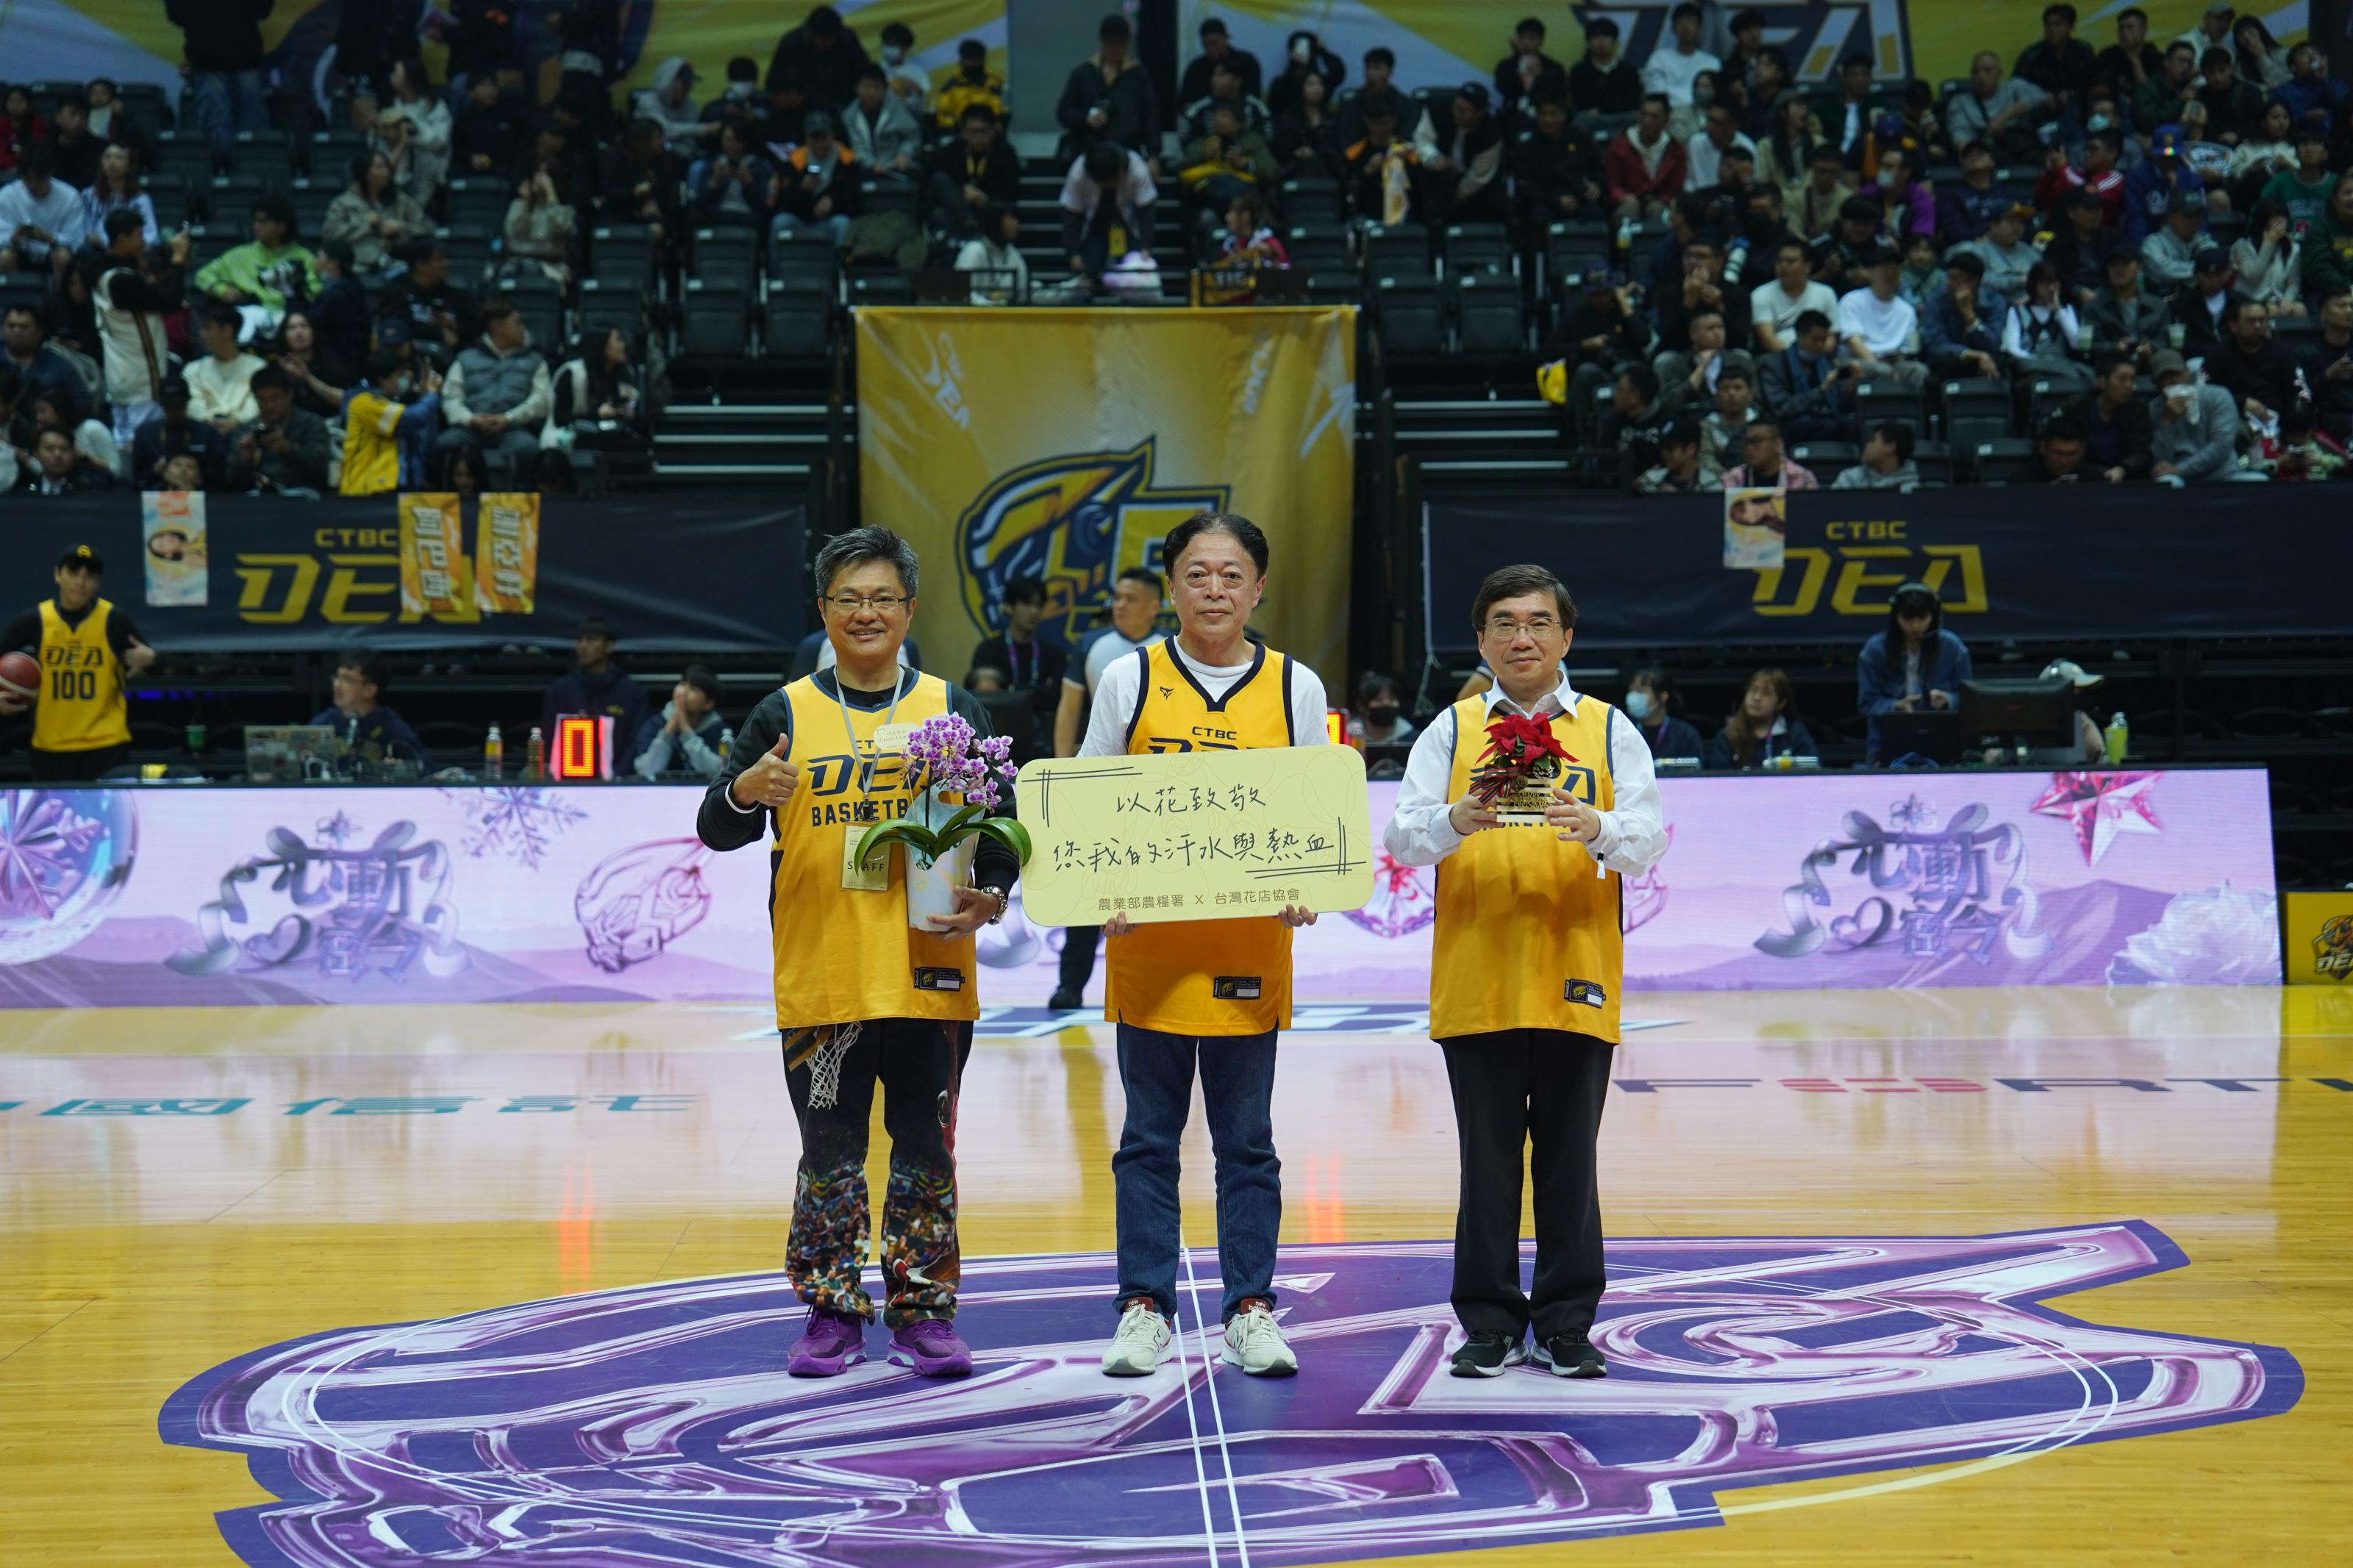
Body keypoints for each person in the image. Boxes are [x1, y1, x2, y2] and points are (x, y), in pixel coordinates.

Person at [696, 525, 1014, 1381]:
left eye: (882, 598)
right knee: (828, 1150)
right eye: (848, 599)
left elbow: (1001, 829)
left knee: (926, 1146)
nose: (865, 613)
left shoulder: (951, 707)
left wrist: (993, 891)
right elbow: (715, 827)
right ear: (824, 612)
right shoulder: (784, 712)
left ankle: (924, 1314)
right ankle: (831, 1313)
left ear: (909, 609)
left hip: (930, 973)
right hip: (825, 974)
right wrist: (744, 789)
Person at [1377, 564, 1665, 1381]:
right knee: (1488, 1162)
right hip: (1477, 977)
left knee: (1570, 1162)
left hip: (1575, 973)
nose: (1521, 637)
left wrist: (1596, 824)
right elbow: (1400, 840)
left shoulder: (1609, 730)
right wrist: (1456, 817)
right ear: (1481, 641)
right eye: (1503, 623)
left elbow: (1647, 843)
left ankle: (1568, 1323)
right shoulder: (1452, 729)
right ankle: (1490, 1323)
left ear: (1565, 638)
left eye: (1538, 623)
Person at [1079, 512, 1326, 1381]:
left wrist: (1308, 880)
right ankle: (1142, 1307)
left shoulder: (1294, 685)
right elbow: (1088, 800)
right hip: (1150, 952)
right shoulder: (1126, 677)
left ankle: (1249, 1308)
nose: (1213, 590)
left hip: (1248, 952)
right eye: (1195, 574)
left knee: (1245, 1144)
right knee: (1147, 1141)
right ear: (1170, 588)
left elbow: (1314, 814)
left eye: (1230, 575)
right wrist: (1097, 886)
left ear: (1258, 587)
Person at [1047, 566, 1164, 1012]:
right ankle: (1071, 985)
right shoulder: (1091, 647)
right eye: (1117, 597)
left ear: (1155, 606)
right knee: (1088, 884)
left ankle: (1153, 983)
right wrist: (1063, 772)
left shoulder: (1172, 649)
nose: (1119, 605)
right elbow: (1069, 708)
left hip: (1155, 793)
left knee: (1155, 884)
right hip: (1100, 784)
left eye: (1131, 598)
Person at [0, 545, 152, 778]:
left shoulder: (114, 619)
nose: (80, 582)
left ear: (97, 583)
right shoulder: (35, 620)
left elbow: (147, 654)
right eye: (73, 572)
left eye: (89, 576)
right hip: (50, 746)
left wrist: (148, 657)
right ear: (57, 575)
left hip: (106, 746)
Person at [438, 301, 551, 483]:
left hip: (513, 429)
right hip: (470, 428)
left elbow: (541, 400)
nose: (523, 328)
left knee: (527, 448)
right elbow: (451, 398)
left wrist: (509, 418)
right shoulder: (465, 359)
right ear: (497, 326)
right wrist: (470, 420)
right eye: (517, 323)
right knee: (446, 443)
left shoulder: (536, 361)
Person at [1858, 581, 1972, 762]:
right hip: (1887, 742)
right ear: (1895, 617)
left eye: (1922, 617)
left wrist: (1948, 700)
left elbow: (1969, 698)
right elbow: (1867, 702)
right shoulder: (1875, 650)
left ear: (1934, 616)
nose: (1915, 626)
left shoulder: (1953, 648)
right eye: (1908, 618)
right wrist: (1895, 706)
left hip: (1941, 740)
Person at [339, 350, 442, 496]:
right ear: (383, 379)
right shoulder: (362, 403)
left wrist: (426, 398)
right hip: (364, 494)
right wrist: (431, 395)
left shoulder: (393, 406)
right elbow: (413, 417)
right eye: (399, 375)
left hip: (397, 491)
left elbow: (428, 441)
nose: (404, 379)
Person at [1057, 14, 1157, 163]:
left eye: (1119, 43)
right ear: (1101, 41)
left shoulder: (1138, 76)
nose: (1114, 49)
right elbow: (1063, 113)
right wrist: (1086, 118)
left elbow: (1151, 117)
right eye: (1110, 43)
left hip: (1128, 151)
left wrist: (1153, 155)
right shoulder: (1083, 74)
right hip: (1089, 150)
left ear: (1127, 43)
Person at [969, 575, 1068, 723]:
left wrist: (1011, 690)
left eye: (1038, 605)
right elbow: (986, 697)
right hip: (998, 731)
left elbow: (1058, 696)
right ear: (1009, 607)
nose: (1034, 611)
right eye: (1026, 604)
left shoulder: (1054, 654)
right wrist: (1038, 691)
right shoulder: (989, 651)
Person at [1059, 141, 1156, 283]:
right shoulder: (1078, 173)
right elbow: (1071, 216)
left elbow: (1147, 211)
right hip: (1094, 226)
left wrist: (1145, 246)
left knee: (1135, 276)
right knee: (1087, 276)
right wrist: (1073, 253)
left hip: (1127, 224)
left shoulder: (1137, 169)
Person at [543, 617, 651, 743]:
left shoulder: (632, 692)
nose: (583, 646)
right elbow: (551, 738)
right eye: (579, 640)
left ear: (609, 646)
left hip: (618, 762)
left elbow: (636, 742)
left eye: (591, 640)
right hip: (573, 762)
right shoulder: (560, 690)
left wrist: (617, 764)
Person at [324, 151, 430, 276]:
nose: (387, 172)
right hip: (354, 267)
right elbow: (330, 234)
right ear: (365, 173)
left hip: (394, 265)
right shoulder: (342, 203)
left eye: (387, 167)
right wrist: (365, 223)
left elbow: (427, 227)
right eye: (380, 167)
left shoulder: (401, 201)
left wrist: (402, 227)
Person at [226, 365, 331, 492]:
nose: (269, 406)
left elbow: (321, 468)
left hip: (302, 493)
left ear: (289, 395)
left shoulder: (311, 424)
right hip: (258, 496)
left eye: (275, 398)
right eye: (262, 400)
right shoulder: (246, 430)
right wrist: (246, 460)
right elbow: (230, 481)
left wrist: (288, 448)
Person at [307, 653, 425, 765]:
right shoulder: (323, 723)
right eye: (336, 677)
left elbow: (426, 771)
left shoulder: (392, 728)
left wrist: (400, 770)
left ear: (369, 691)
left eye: (347, 680)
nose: (337, 685)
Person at [929, 103, 1021, 243]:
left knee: (1003, 214)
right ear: (964, 132)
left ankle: (972, 223)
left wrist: (983, 199)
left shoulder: (1006, 153)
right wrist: (963, 191)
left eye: (983, 131)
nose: (978, 137)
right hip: (959, 206)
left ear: (993, 131)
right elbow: (940, 186)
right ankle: (970, 221)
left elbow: (1011, 191)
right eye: (973, 132)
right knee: (939, 187)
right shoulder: (950, 151)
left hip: (990, 206)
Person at [1837, 246, 1927, 387]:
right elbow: (1854, 342)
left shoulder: (1907, 310)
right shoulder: (1852, 300)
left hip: (1893, 363)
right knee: (1878, 369)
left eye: (1895, 268)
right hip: (1861, 360)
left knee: (1918, 370)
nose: (1891, 273)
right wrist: (1880, 365)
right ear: (1870, 272)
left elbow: (1910, 349)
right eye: (1885, 268)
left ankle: (1910, 408)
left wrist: (1898, 358)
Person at [1760, 310, 1857, 442]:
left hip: (1827, 418)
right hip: (1793, 424)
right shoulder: (1775, 365)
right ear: (1799, 336)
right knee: (1828, 426)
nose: (1820, 346)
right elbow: (1782, 409)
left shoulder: (1826, 361)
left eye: (1824, 340)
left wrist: (1851, 384)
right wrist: (1821, 391)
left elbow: (1838, 402)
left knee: (1853, 423)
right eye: (1815, 340)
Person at [2149, 348, 2244, 479]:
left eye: (2176, 374)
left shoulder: (2218, 397)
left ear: (2187, 373)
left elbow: (2222, 445)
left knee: (2258, 481)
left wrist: (2181, 469)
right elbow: (2159, 462)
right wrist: (2168, 421)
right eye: (2164, 377)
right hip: (2179, 479)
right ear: (2156, 384)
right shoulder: (2154, 410)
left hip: (2222, 475)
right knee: (2165, 481)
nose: (2172, 381)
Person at [2205, 294, 2297, 421]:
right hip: (2234, 417)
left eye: (2262, 320)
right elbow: (2208, 394)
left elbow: (2296, 391)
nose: (2258, 326)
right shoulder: (2218, 354)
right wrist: (2242, 403)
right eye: (2251, 321)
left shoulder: (2281, 353)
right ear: (2234, 326)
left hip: (2276, 419)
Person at [2002, 261, 2092, 390]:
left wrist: (2059, 311)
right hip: (2030, 366)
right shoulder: (2017, 311)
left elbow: (2078, 344)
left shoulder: (2067, 310)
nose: (2050, 288)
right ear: (2034, 285)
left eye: (2054, 283)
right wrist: (2036, 361)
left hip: (2062, 366)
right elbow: (2012, 347)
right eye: (2045, 283)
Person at [1947, 51, 2047, 164]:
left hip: (2018, 145)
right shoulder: (1960, 101)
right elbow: (1959, 133)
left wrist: (2003, 117)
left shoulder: (2013, 87)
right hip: (1984, 149)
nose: (1981, 76)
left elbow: (2040, 96)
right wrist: (1973, 155)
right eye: (1976, 72)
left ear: (2000, 73)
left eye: (1987, 71)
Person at [765, 4, 871, 111]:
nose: (826, 44)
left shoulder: (847, 39)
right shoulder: (792, 43)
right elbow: (774, 80)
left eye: (830, 39)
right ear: (810, 33)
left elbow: (865, 72)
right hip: (801, 104)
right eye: (821, 39)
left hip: (844, 101)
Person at [2068, 354, 2156, 480]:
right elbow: (2070, 450)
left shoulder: (2138, 410)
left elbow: (2142, 452)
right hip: (2085, 477)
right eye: (2122, 379)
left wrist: (2123, 468)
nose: (2129, 385)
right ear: (2102, 382)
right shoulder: (2078, 407)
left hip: (2126, 478)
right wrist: (2098, 473)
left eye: (2132, 379)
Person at [631, 665, 727, 781]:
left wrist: (686, 731)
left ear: (708, 704)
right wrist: (669, 729)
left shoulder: (720, 731)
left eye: (694, 689)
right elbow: (646, 771)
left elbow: (719, 773)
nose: (683, 692)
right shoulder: (654, 724)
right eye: (682, 684)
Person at [0, 143, 84, 275]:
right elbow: (2, 233)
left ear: (50, 173)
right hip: (20, 251)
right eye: (28, 179)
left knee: (62, 257)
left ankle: (57, 294)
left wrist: (51, 239)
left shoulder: (70, 196)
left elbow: (76, 238)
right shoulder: (7, 195)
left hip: (53, 251)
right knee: (5, 257)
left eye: (39, 179)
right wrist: (14, 237)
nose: (33, 184)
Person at [1706, 668, 1817, 767]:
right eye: (1753, 690)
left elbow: (1812, 770)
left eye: (1766, 693)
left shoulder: (1795, 733)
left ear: (1781, 703)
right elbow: (1717, 780)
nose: (1757, 698)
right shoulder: (1728, 735)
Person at [129, 375, 225, 488]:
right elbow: (137, 479)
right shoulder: (145, 434)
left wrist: (197, 476)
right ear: (160, 404)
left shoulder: (208, 433)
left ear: (188, 402)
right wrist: (155, 472)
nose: (174, 411)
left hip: (200, 493)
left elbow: (220, 478)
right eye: (169, 406)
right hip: (156, 495)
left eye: (179, 406)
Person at [1604, 93, 1686, 223]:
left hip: (1659, 203)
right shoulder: (1620, 146)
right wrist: (1622, 196)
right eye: (1644, 115)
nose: (1647, 121)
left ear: (1666, 120)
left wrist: (1662, 200)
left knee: (1657, 210)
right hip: (1629, 201)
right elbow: (1613, 182)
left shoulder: (1675, 150)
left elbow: (1675, 188)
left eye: (1654, 117)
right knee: (1629, 210)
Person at [185, 303, 264, 432]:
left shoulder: (258, 367)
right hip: (205, 431)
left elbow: (256, 403)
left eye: (207, 328)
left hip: (246, 431)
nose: (202, 335)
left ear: (228, 330)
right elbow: (194, 404)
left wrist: (237, 421)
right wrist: (210, 420)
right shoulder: (193, 369)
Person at [1749, 240, 1838, 353]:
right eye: (1779, 261)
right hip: (1779, 359)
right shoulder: (1761, 294)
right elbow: (1767, 340)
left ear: (1808, 266)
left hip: (1819, 356)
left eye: (1790, 262)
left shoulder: (1826, 293)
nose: (1783, 266)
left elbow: (1831, 337)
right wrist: (1797, 359)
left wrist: (1812, 356)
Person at [844, 63, 924, 179]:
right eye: (866, 87)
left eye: (876, 87)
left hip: (896, 165)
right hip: (865, 169)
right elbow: (856, 147)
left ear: (885, 89)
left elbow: (913, 136)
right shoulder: (849, 115)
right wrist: (873, 165)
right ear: (857, 89)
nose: (871, 93)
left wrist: (905, 153)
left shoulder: (896, 109)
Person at [75, 142, 157, 251]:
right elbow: (83, 229)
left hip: (129, 251)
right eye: (107, 157)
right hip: (96, 249)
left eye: (119, 157)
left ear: (130, 165)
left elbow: (152, 235)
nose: (112, 162)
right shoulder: (88, 195)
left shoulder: (140, 199)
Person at [1599, 364, 1671, 480]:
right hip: (1620, 492)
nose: (1615, 395)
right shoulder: (1612, 423)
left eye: (1619, 389)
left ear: (1635, 396)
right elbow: (1605, 463)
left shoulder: (1668, 422)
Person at [2229, 198, 2302, 313]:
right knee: (2272, 311)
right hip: (2250, 299)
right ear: (2263, 220)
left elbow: (2294, 283)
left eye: (2283, 217)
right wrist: (2268, 244)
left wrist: (2288, 299)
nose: (2281, 223)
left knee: (2299, 309)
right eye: (2275, 218)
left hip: (2277, 299)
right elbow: (2253, 278)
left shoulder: (2293, 248)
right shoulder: (2243, 246)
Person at [2299, 289, 2353, 441]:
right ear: (2323, 313)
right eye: (2341, 306)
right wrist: (2329, 375)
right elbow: (2304, 396)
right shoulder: (2308, 352)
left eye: (2351, 306)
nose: (2349, 311)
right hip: (2331, 416)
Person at [1618, 664, 1704, 759]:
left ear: (1663, 696)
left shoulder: (1686, 735)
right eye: (1631, 691)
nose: (1633, 697)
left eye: (1640, 691)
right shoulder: (1621, 731)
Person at [1721, 415, 1819, 489]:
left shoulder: (1802, 478)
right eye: (1747, 442)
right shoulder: (1733, 478)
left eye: (1757, 441)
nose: (1749, 448)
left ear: (1777, 444)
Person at [1265, 29, 1345, 118]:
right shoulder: (1280, 84)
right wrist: (1293, 65)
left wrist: (1323, 51)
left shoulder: (1321, 83)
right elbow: (1274, 107)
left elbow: (1338, 72)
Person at [1182, 18, 1263, 106]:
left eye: (1215, 43)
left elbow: (1254, 98)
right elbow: (1185, 102)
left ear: (1226, 37)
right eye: (1206, 44)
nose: (1210, 49)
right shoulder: (1196, 68)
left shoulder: (1247, 63)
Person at [933, 39, 1007, 133]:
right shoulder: (951, 86)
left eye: (979, 60)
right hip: (958, 133)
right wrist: (960, 125)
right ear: (962, 61)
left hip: (990, 134)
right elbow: (942, 115)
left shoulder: (995, 84)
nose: (975, 64)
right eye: (971, 60)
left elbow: (1001, 111)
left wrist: (986, 127)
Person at [14, 426, 111, 494]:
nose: (58, 455)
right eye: (50, 449)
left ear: (73, 453)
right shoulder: (25, 495)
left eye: (64, 449)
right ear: (36, 454)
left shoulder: (89, 493)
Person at [1634, 418, 1717, 493]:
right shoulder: (1650, 480)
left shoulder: (1712, 486)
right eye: (1663, 448)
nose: (1664, 454)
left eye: (1670, 449)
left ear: (1691, 449)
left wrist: (1676, 500)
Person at [1832, 420, 1921, 489]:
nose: (1867, 445)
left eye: (1873, 441)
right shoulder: (1850, 479)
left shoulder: (1914, 490)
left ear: (1890, 447)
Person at [1349, 671, 1415, 744]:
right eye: (1379, 700)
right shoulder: (1347, 738)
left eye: (1392, 699)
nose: (1387, 704)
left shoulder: (1414, 740)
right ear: (1361, 706)